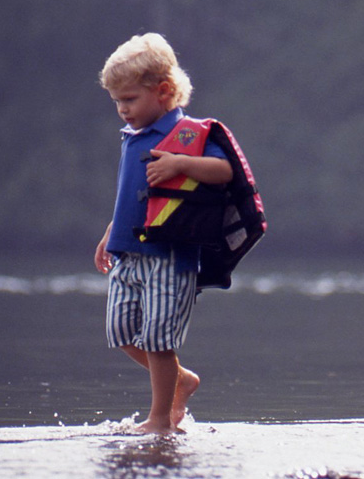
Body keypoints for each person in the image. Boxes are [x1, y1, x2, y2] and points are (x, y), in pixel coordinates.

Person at [94, 32, 233, 434]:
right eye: (117, 101)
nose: (122, 109)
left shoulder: (187, 133)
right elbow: (132, 197)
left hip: (170, 254)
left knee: (158, 339)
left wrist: (179, 164)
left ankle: (160, 420)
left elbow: (224, 172)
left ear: (164, 90)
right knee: (120, 331)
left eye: (130, 100)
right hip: (128, 252)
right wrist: (109, 234)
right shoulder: (132, 136)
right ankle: (182, 379)